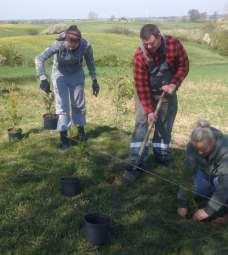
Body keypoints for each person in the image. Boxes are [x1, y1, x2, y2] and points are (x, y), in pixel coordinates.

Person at [124, 24, 189, 180]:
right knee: (141, 123)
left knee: (164, 124)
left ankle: (161, 155)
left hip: (167, 92)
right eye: (145, 43)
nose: (149, 46)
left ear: (159, 36)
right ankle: (137, 160)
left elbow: (183, 66)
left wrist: (174, 83)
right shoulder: (140, 55)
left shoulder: (173, 44)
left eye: (151, 43)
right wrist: (149, 110)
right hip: (146, 92)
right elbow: (141, 85)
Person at [35, 25, 99, 149]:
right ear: (66, 40)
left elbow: (90, 62)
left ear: (79, 41)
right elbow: (39, 58)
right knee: (62, 106)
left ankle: (81, 132)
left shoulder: (86, 45)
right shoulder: (58, 44)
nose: (72, 46)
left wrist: (94, 80)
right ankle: (64, 137)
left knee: (78, 104)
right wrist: (43, 78)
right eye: (70, 43)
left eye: (75, 44)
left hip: (77, 73)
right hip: (60, 74)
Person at [177, 120, 228, 223]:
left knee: (224, 191)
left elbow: (225, 185)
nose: (199, 153)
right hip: (208, 172)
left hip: (225, 176)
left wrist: (207, 211)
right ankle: (216, 198)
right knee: (199, 191)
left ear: (212, 143)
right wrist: (181, 203)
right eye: (197, 149)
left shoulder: (225, 152)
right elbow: (187, 174)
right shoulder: (193, 146)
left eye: (203, 150)